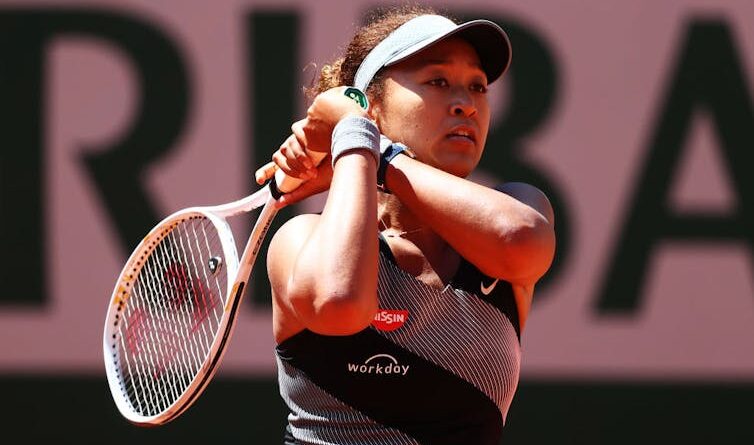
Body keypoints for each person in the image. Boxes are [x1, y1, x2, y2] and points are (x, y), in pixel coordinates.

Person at [254, 5, 556, 444]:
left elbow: (521, 240)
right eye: (438, 81)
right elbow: (338, 302)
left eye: (478, 87)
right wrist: (360, 141)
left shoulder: (520, 206)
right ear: (372, 107)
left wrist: (372, 150)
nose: (467, 105)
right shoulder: (301, 240)